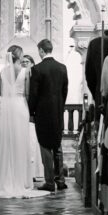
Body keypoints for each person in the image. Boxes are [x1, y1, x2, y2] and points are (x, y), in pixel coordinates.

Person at [0, 46, 45, 199]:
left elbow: (1, 92)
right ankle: (22, 181)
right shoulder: (25, 71)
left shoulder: (3, 72)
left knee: (9, 143)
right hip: (21, 107)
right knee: (21, 143)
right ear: (19, 55)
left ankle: (7, 179)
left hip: (8, 108)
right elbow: (28, 92)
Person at [28, 39, 69, 193]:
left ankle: (50, 182)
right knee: (57, 145)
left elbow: (34, 94)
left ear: (41, 51)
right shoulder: (62, 68)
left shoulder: (37, 69)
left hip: (42, 113)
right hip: (57, 112)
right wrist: (60, 105)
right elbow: (65, 90)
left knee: (45, 146)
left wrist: (31, 112)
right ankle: (61, 180)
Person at [22, 54, 44, 182]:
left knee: (33, 140)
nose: (25, 63)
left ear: (32, 63)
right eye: (23, 61)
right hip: (22, 107)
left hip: (33, 110)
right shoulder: (21, 73)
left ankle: (35, 171)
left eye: (27, 61)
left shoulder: (35, 74)